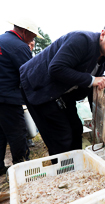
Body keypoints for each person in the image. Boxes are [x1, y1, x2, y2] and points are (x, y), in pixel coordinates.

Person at [19, 20, 105, 156]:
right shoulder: (82, 40)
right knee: (61, 135)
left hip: (64, 94)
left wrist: (98, 116)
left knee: (76, 129)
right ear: (102, 34)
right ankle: (63, 171)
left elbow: (90, 87)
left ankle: (76, 167)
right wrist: (91, 79)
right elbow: (56, 68)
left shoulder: (104, 58)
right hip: (40, 87)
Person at [0, 18, 43, 175]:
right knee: (17, 132)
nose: (32, 40)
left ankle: (0, 167)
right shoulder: (19, 47)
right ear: (24, 31)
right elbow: (30, 76)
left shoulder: (2, 40)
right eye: (32, 36)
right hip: (8, 98)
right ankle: (22, 167)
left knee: (1, 133)